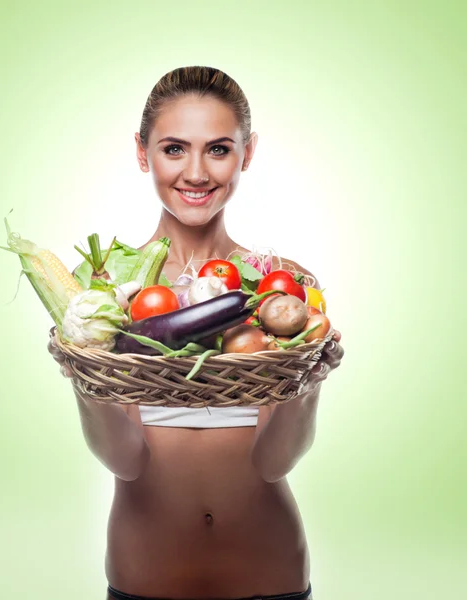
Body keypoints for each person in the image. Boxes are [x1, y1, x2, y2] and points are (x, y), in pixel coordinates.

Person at [48, 66, 344, 600]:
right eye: (174, 149)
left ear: (247, 154)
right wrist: (84, 370)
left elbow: (275, 462)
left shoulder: (282, 291)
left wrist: (310, 378)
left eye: (219, 149)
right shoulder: (111, 293)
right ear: (143, 154)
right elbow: (125, 459)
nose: (196, 172)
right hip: (146, 575)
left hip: (270, 571)